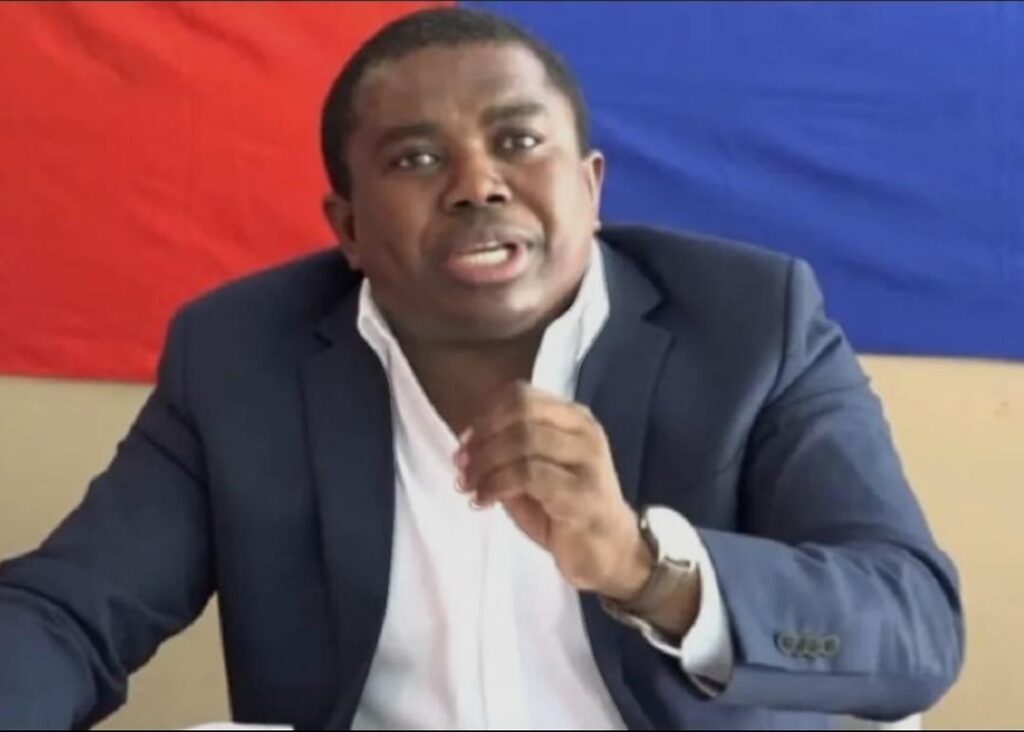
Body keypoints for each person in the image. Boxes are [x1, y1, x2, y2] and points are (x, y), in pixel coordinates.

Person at [0, 7, 963, 730]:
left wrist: (643, 569)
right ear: (348, 229)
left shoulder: (749, 325)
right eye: (417, 159)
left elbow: (915, 625)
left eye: (518, 141)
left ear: (589, 186)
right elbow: (69, 613)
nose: (477, 184)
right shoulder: (242, 355)